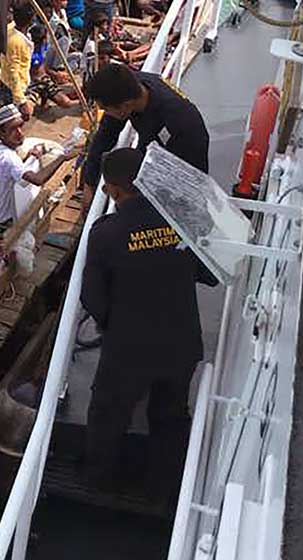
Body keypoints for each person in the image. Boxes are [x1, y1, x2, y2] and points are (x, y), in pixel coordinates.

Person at [79, 148, 216, 492]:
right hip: (181, 342)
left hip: (129, 349)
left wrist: (112, 324)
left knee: (108, 417)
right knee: (170, 417)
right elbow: (209, 273)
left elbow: (92, 297)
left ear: (112, 190)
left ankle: (99, 482)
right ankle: (164, 488)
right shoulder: (181, 219)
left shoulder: (106, 234)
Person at [81, 64, 209, 208]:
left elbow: (193, 175)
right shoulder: (128, 87)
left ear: (126, 106)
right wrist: (89, 182)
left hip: (184, 165)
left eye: (105, 109)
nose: (105, 114)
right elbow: (105, 135)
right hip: (151, 143)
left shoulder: (181, 120)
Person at [0, 104, 73, 232]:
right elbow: (37, 180)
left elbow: (9, 170)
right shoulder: (8, 157)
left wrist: (28, 158)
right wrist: (62, 158)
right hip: (1, 220)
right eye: (13, 129)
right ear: (1, 132)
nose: (19, 133)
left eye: (20, 126)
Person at [0, 2, 37, 120]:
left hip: (20, 84)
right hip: (12, 89)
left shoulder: (21, 36)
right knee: (13, 122)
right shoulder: (15, 41)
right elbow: (12, 71)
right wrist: (21, 100)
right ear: (31, 20)